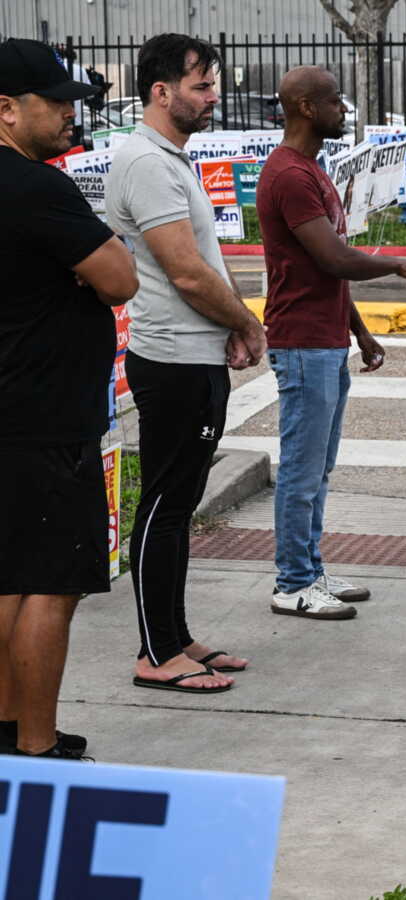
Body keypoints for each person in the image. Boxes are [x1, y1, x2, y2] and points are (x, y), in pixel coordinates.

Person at [106, 34, 267, 693]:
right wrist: (245, 320)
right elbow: (186, 274)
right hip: (171, 358)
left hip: (195, 354)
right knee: (166, 505)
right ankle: (154, 653)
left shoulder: (171, 159)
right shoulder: (147, 162)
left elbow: (204, 263)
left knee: (180, 501)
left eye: (213, 85)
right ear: (161, 92)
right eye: (201, 87)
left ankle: (175, 637)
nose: (214, 97)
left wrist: (227, 327)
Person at [0, 38, 138, 757]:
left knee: (6, 580)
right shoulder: (34, 186)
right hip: (43, 415)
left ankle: (6, 730)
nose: (66, 114)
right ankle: (37, 744)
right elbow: (119, 278)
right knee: (51, 584)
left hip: (12, 411)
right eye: (52, 102)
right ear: (6, 109)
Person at [256, 66, 406, 619]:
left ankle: (310, 569)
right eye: (333, 101)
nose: (343, 109)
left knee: (319, 468)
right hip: (302, 344)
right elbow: (332, 258)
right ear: (305, 106)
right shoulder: (288, 175)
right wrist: (396, 264)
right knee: (302, 470)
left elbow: (325, 272)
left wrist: (360, 330)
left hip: (326, 340)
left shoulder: (311, 169)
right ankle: (293, 583)